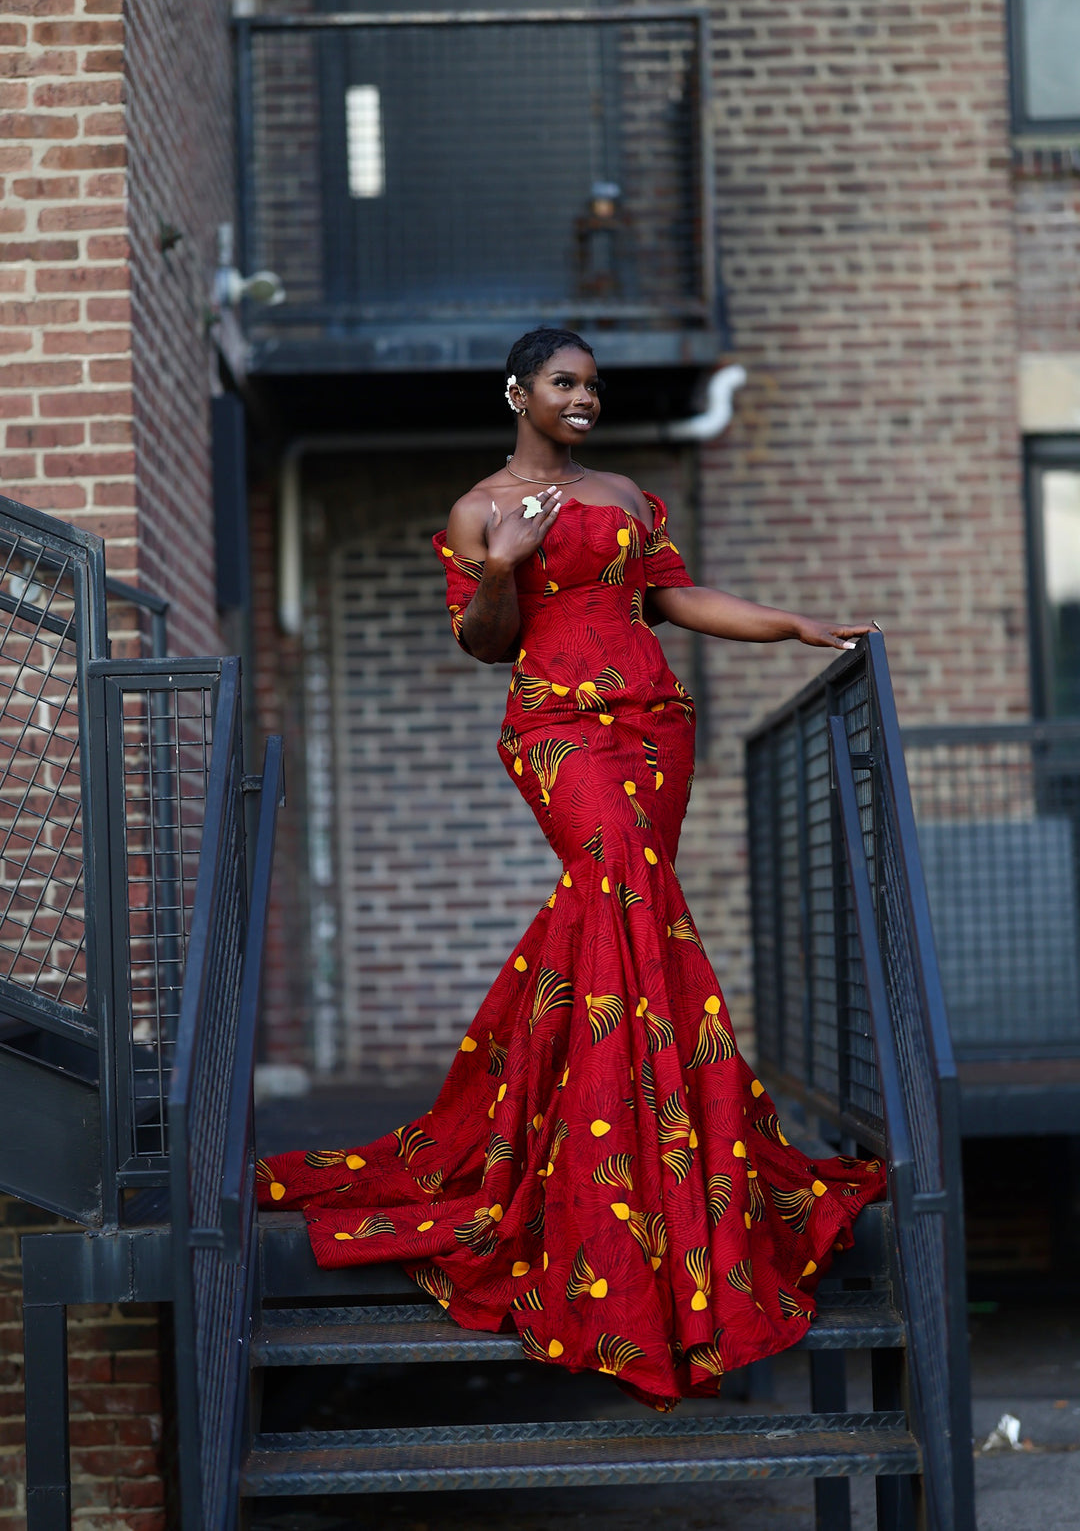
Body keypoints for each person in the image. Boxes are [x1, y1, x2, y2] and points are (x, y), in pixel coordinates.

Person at [257, 327, 887, 1410]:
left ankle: (618, 1146)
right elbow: (485, 641)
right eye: (565, 383)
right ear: (520, 393)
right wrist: (501, 564)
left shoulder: (633, 496)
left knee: (628, 929)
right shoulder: (480, 509)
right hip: (559, 730)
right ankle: (633, 1172)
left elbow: (674, 602)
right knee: (622, 897)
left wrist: (785, 626)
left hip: (654, 725)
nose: (585, 397)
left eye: (595, 384)